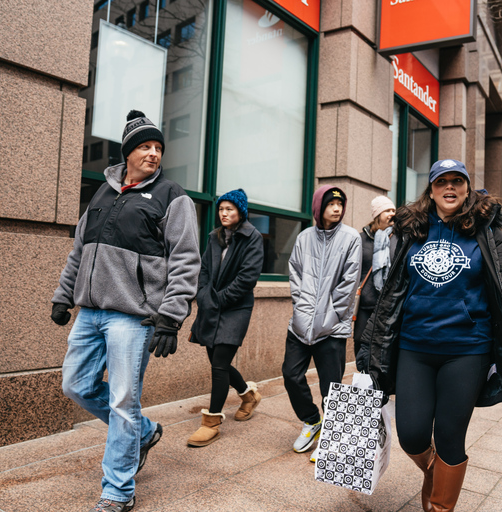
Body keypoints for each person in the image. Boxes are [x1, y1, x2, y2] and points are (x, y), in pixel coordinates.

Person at [357, 159, 502, 512]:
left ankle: (441, 506)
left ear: (467, 187)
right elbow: (392, 292)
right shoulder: (412, 230)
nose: (449, 187)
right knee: (411, 436)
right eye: (441, 181)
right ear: (430, 190)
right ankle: (435, 471)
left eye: (457, 181)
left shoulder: (487, 232)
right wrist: (370, 343)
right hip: (415, 346)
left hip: (466, 350)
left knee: (449, 437)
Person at [51, 110, 201, 512]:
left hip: (133, 316)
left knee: (122, 401)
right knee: (76, 385)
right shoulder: (102, 194)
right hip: (90, 312)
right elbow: (80, 250)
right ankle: (145, 432)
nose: (153, 153)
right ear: (128, 153)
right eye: (145, 146)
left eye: (158, 147)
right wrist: (63, 295)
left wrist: (172, 315)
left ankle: (118, 490)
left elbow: (186, 259)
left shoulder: (172, 196)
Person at [283, 185, 362, 456]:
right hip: (301, 324)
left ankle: (330, 436)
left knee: (332, 386)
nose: (337, 208)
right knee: (291, 375)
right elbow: (295, 272)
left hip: (332, 327)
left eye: (340, 204)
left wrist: (331, 316)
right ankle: (312, 421)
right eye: (330, 204)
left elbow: (349, 283)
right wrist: (302, 306)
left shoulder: (351, 237)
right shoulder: (304, 237)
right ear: (319, 207)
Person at [187, 189, 264, 447]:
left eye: (229, 209)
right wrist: (203, 295)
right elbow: (204, 270)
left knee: (220, 363)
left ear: (240, 211)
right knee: (216, 359)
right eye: (221, 209)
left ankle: (211, 423)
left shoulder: (252, 238)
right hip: (211, 305)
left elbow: (247, 278)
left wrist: (217, 300)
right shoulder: (214, 237)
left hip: (235, 308)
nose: (224, 213)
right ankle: (248, 395)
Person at [353, 196, 397, 361]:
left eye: (393, 210)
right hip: (366, 302)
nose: (391, 214)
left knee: (384, 344)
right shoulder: (361, 238)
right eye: (387, 210)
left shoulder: (397, 237)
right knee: (360, 340)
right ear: (377, 214)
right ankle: (363, 374)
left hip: (387, 302)